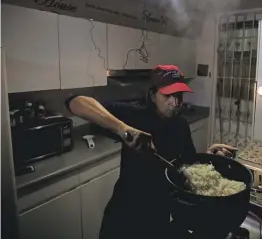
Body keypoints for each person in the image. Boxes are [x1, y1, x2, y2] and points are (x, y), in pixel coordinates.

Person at [65, 65, 237, 239]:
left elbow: (185, 165)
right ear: (153, 95)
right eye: (168, 95)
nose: (175, 103)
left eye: (179, 96)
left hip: (160, 213)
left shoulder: (181, 124)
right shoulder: (134, 115)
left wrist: (209, 157)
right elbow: (74, 102)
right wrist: (123, 128)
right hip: (126, 212)